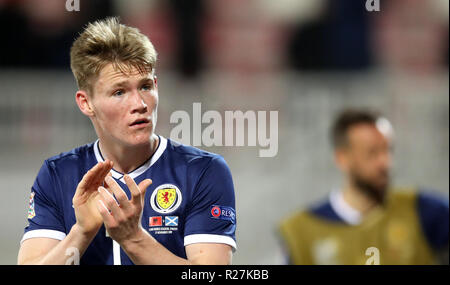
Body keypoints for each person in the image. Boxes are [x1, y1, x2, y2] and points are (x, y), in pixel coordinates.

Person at [17, 17, 236, 265]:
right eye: (119, 92)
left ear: (156, 85)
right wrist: (82, 232)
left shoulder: (202, 171)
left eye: (144, 86)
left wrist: (133, 239)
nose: (140, 104)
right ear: (85, 103)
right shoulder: (57, 174)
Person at [278, 109, 448, 265]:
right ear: (342, 158)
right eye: (372, 153)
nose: (385, 162)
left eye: (387, 150)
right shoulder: (303, 230)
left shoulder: (425, 212)